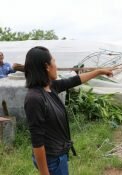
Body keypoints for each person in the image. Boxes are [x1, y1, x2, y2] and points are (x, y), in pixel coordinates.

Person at [24, 46, 113, 175]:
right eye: (54, 61)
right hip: (52, 161)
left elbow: (75, 80)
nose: (57, 66)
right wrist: (44, 173)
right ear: (47, 66)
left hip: (58, 156)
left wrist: (98, 71)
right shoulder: (35, 98)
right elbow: (37, 141)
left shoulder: (50, 88)